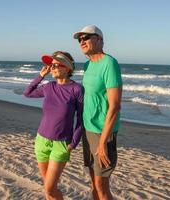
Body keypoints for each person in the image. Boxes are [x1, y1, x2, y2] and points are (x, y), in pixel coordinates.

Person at [23, 51, 83, 200]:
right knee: (48, 189)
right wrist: (40, 76)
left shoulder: (77, 89)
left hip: (61, 144)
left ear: (68, 68)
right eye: (51, 65)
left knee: (49, 188)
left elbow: (81, 119)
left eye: (57, 65)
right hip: (41, 141)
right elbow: (27, 93)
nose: (53, 68)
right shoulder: (49, 87)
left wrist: (73, 143)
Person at [73, 25, 122, 200]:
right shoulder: (87, 65)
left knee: (102, 185)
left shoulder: (109, 63)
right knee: (93, 183)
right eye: (80, 39)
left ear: (99, 40)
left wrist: (102, 143)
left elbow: (115, 106)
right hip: (88, 130)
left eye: (86, 37)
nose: (82, 42)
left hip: (103, 132)